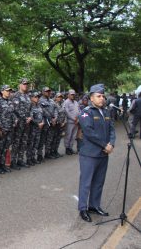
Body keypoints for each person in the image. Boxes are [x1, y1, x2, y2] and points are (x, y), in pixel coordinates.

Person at [78, 84, 116, 222]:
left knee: (99, 182)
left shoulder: (106, 112)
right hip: (89, 154)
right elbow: (89, 132)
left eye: (103, 96)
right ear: (91, 98)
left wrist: (111, 144)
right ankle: (83, 208)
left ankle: (94, 206)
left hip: (103, 153)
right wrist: (105, 145)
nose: (102, 99)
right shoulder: (85, 112)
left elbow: (112, 129)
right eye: (99, 96)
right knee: (86, 182)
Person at [0, 85, 16, 172]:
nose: (9, 92)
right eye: (7, 91)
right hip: (2, 129)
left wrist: (15, 119)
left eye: (10, 91)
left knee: (6, 147)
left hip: (10, 128)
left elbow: (12, 112)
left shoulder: (10, 101)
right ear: (2, 91)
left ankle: (2, 164)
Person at [11, 78, 31, 168]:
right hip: (19, 123)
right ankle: (13, 161)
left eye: (27, 84)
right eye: (24, 84)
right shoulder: (16, 95)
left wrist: (30, 117)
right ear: (20, 85)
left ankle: (20, 160)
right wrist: (25, 117)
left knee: (24, 142)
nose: (26, 85)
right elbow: (15, 109)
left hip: (27, 123)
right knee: (16, 142)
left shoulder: (28, 96)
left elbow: (31, 108)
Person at [64, 89, 80, 155]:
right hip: (70, 122)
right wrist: (74, 119)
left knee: (73, 136)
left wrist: (78, 119)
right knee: (68, 135)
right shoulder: (66, 102)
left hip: (76, 122)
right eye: (71, 94)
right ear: (68, 95)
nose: (73, 95)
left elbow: (79, 111)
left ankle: (70, 148)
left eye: (74, 94)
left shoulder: (76, 102)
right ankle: (67, 148)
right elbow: (67, 112)